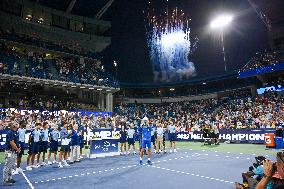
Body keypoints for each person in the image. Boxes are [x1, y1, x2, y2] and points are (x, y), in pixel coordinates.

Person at [3, 122, 21, 186]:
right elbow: (12, 143)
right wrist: (17, 149)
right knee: (7, 166)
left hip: (13, 151)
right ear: (12, 125)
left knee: (11, 166)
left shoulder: (14, 132)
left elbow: (15, 142)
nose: (17, 124)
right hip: (9, 151)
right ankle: (5, 180)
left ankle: (9, 178)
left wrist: (17, 148)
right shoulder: (10, 132)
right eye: (16, 124)